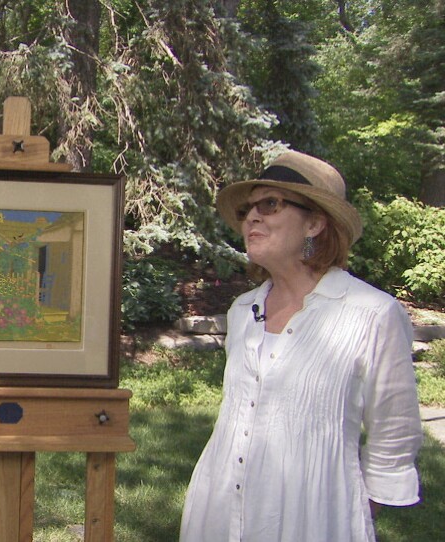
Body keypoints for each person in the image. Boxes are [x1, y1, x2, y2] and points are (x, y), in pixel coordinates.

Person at [179, 150, 423, 541]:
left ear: (314, 223)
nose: (252, 217)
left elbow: (394, 430)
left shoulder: (371, 313)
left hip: (313, 514)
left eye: (270, 204)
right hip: (220, 509)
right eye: (248, 209)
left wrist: (344, 512)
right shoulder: (243, 311)